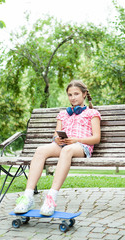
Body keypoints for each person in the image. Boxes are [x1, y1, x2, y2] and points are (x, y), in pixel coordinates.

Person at [14, 79, 101, 216]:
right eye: (70, 95)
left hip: (81, 146)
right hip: (64, 145)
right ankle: (28, 196)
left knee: (67, 150)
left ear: (84, 94)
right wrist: (57, 139)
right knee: (40, 150)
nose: (73, 98)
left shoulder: (92, 113)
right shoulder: (63, 114)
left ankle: (51, 197)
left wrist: (75, 140)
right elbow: (55, 135)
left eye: (76, 94)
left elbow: (96, 138)